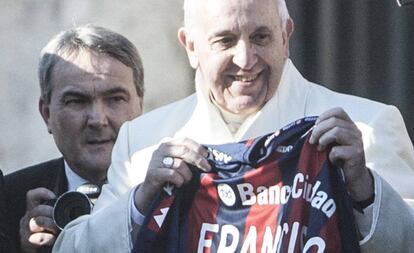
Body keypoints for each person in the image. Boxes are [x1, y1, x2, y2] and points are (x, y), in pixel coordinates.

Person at [54, 0, 414, 252]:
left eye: (261, 37)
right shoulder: (144, 143)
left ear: (286, 35)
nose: (245, 60)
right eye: (225, 40)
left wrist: (365, 192)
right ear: (190, 46)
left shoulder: (365, 129)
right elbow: (72, 248)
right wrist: (140, 202)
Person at [4, 24, 144, 253]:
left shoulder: (180, 194)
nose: (97, 120)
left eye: (115, 98)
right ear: (47, 114)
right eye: (76, 101)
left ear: (140, 104)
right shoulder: (9, 201)